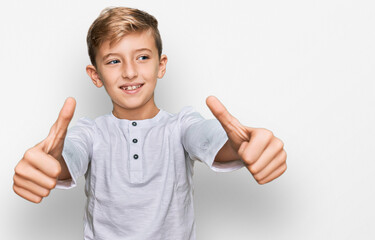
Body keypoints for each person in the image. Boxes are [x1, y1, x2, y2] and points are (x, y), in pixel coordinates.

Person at [12, 7, 287, 240]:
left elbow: (207, 137)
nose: (130, 72)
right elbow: (68, 156)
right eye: (114, 61)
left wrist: (242, 147)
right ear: (95, 75)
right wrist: (52, 162)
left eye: (142, 57)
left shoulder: (181, 125)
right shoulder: (91, 132)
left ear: (161, 65)